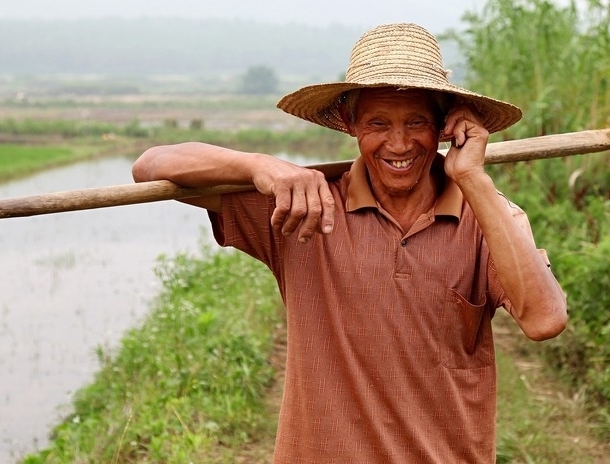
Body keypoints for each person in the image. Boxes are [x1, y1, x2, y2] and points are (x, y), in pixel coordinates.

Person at [132, 22, 567, 464]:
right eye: (378, 123)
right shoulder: (305, 207)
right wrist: (257, 165)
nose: (399, 143)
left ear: (444, 126)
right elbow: (151, 166)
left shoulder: (492, 219)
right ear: (349, 122)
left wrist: (472, 177)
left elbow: (545, 319)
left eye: (416, 122)